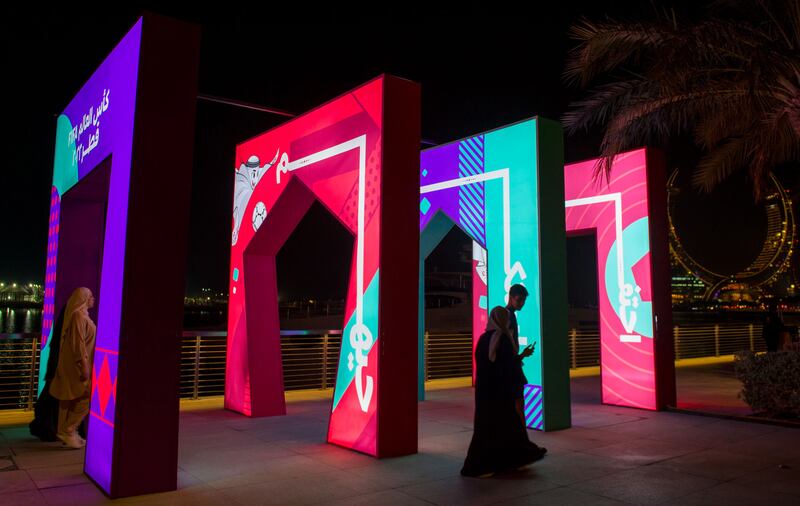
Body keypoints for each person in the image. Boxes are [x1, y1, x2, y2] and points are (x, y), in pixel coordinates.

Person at [461, 306, 546, 478]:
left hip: (485, 392)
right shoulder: (504, 339)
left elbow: (489, 364)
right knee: (509, 424)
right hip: (500, 391)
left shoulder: (484, 338)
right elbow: (507, 365)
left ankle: (482, 463)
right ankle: (512, 459)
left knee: (486, 427)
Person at [49, 288, 96, 449]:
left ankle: (66, 432)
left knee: (68, 399)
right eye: (90, 296)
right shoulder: (78, 316)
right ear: (83, 299)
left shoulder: (82, 316)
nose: (93, 299)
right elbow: (78, 344)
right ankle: (68, 429)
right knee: (87, 396)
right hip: (76, 366)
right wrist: (83, 366)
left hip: (73, 364)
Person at [29, 307, 67, 441]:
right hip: (61, 370)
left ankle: (47, 428)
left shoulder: (60, 330)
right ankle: (51, 429)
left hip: (56, 370)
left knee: (49, 399)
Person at [506, 284, 535, 425]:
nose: (522, 303)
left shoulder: (509, 315)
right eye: (519, 300)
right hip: (511, 369)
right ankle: (522, 438)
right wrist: (522, 355)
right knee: (518, 405)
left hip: (511, 367)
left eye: (523, 300)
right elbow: (507, 351)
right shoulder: (509, 316)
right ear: (511, 298)